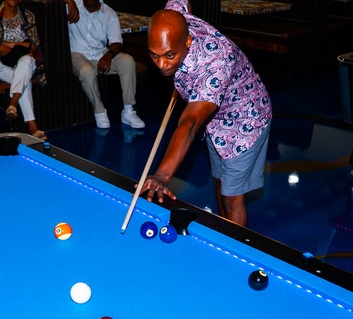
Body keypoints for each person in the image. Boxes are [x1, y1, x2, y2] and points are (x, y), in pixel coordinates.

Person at [140, 0, 272, 227]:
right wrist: (176, 63)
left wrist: (162, 175)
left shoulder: (216, 65)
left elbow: (190, 123)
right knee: (221, 182)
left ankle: (236, 252)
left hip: (246, 117)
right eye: (154, 55)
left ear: (188, 41)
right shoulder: (176, 15)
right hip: (217, 121)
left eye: (170, 55)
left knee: (232, 197)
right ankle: (225, 231)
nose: (161, 65)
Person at [66, 0, 145, 130]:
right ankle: (99, 111)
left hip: (99, 53)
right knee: (87, 71)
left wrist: (108, 55)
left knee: (127, 61)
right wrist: (69, 1)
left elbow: (117, 43)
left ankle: (128, 111)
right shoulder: (73, 6)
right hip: (77, 54)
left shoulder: (109, 13)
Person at [0, 0, 48, 141]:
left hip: (24, 61)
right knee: (24, 80)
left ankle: (13, 105)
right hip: (0, 64)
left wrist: (10, 45)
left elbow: (33, 46)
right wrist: (19, 45)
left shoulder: (28, 15)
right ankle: (32, 126)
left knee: (26, 62)